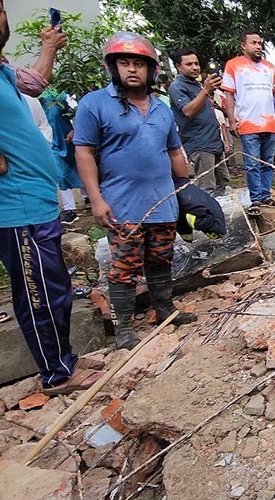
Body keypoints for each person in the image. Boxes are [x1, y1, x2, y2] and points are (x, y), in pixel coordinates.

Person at [0, 0, 104, 394]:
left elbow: (32, 83)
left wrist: (48, 47)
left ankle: (65, 358)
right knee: (38, 294)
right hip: (13, 206)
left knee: (54, 287)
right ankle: (56, 374)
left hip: (34, 202)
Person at [74, 32, 196, 350]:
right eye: (125, 63)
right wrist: (95, 199)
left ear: (150, 70)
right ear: (112, 67)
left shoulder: (161, 109)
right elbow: (84, 152)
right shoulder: (94, 104)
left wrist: (186, 192)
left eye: (139, 64)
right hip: (121, 204)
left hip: (163, 201)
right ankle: (124, 328)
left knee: (161, 259)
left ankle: (165, 309)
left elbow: (174, 152)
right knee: (124, 267)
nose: (132, 69)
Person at [222, 28, 275, 215]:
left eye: (260, 43)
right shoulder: (233, 65)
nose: (258, 46)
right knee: (252, 164)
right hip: (248, 124)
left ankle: (265, 195)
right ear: (243, 45)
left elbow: (274, 93)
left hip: (270, 123)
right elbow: (229, 95)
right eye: (253, 43)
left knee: (268, 163)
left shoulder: (269, 68)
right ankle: (255, 199)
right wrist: (232, 121)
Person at [168, 48, 230, 196]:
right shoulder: (177, 87)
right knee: (207, 186)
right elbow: (188, 111)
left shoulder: (197, 85)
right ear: (178, 67)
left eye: (196, 63)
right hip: (199, 144)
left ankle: (221, 209)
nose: (195, 67)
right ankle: (207, 210)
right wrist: (206, 90)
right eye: (189, 64)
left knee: (223, 181)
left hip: (214, 142)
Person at [40, 88, 83, 224]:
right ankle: (70, 209)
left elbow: (77, 111)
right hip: (51, 140)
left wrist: (76, 129)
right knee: (61, 173)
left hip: (68, 135)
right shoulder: (36, 97)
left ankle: (88, 196)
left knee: (80, 165)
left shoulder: (61, 92)